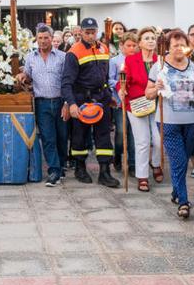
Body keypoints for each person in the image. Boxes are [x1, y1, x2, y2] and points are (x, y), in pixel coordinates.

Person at [145, 30, 194, 217]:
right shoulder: (160, 66)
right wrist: (155, 88)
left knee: (184, 158)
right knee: (178, 160)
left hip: (192, 121)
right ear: (168, 47)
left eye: (182, 45)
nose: (179, 49)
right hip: (168, 121)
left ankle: (176, 192)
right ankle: (183, 202)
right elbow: (147, 94)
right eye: (175, 46)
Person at [61, 17, 120, 188]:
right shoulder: (74, 52)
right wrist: (71, 104)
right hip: (81, 100)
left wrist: (110, 97)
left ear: (97, 31)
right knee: (79, 137)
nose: (90, 35)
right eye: (87, 32)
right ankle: (80, 168)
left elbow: (105, 76)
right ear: (81, 33)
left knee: (104, 137)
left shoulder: (104, 48)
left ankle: (104, 172)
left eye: (93, 31)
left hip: (102, 99)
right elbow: (66, 83)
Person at [17, 25, 67, 186]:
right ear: (36, 39)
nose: (43, 41)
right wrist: (23, 75)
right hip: (41, 103)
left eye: (46, 38)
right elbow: (29, 77)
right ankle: (54, 171)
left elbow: (67, 82)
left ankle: (61, 165)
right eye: (40, 38)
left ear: (52, 39)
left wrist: (67, 103)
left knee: (62, 137)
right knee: (47, 138)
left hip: (60, 102)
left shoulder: (62, 57)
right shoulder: (31, 57)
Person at [119, 28, 163, 192]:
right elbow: (123, 80)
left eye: (153, 38)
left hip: (157, 104)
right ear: (140, 43)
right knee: (142, 141)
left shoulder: (161, 61)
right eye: (147, 38)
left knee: (158, 140)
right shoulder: (131, 60)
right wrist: (121, 90)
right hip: (136, 104)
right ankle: (142, 176)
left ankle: (156, 163)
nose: (151, 40)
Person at [108, 32, 137, 173]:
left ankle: (132, 164)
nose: (131, 48)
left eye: (134, 45)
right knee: (120, 132)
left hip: (135, 102)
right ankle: (118, 155)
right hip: (120, 103)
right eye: (128, 45)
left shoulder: (138, 60)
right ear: (121, 46)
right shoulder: (114, 61)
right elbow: (109, 79)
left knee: (133, 134)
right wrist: (121, 83)